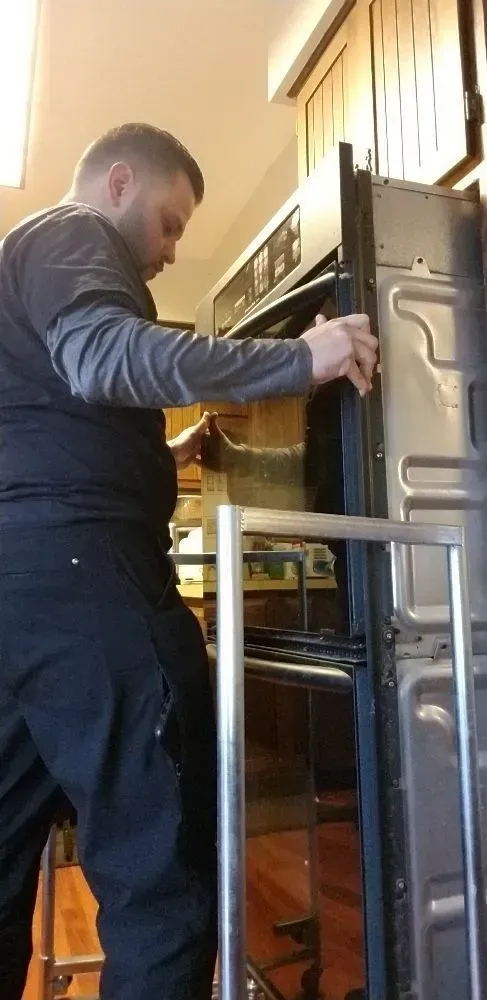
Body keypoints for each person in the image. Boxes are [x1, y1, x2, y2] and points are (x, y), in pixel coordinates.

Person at [0, 122, 378, 1000]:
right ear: (119, 182)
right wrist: (300, 357)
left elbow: (50, 431)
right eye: (170, 222)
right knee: (159, 877)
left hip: (19, 591)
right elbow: (103, 358)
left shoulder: (18, 265)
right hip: (89, 587)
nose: (171, 250)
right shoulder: (71, 233)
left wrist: (163, 454)